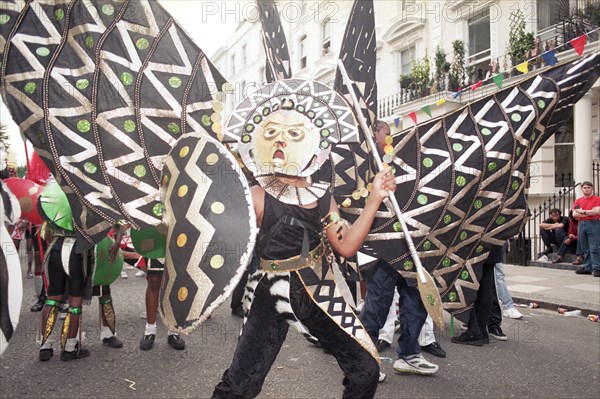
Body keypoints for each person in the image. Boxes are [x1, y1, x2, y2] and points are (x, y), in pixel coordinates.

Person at [212, 84, 395, 398]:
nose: (283, 142)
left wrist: (375, 197)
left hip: (317, 289)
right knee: (240, 387)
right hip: (269, 291)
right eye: (275, 135)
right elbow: (220, 243)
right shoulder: (256, 196)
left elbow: (346, 245)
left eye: (295, 134)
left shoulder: (323, 197)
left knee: (365, 370)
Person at [37, 224, 90, 361]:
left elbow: (46, 233)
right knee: (75, 301)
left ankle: (45, 346)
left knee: (52, 298)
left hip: (55, 248)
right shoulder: (85, 201)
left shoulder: (54, 203)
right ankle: (70, 347)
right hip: (77, 250)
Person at [451, 245, 504, 346]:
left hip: (475, 243)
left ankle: (474, 332)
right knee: (486, 283)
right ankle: (482, 331)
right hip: (494, 241)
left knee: (467, 285)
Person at [139, 258, 185, 351]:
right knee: (154, 279)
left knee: (175, 280)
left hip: (176, 243)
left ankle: (173, 331)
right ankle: (150, 331)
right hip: (157, 244)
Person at [572, 181, 600, 276]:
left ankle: (597, 267)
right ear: (582, 189)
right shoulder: (578, 200)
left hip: (593, 223)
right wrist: (589, 211)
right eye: (585, 188)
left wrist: (583, 212)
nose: (587, 189)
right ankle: (588, 267)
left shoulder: (597, 199)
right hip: (581, 224)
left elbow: (597, 212)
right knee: (585, 247)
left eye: (588, 187)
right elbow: (574, 214)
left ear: (592, 189)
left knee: (594, 247)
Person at [493, 242, 523, 320]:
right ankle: (508, 306)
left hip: (495, 245)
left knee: (499, 276)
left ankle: (508, 306)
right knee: (498, 276)